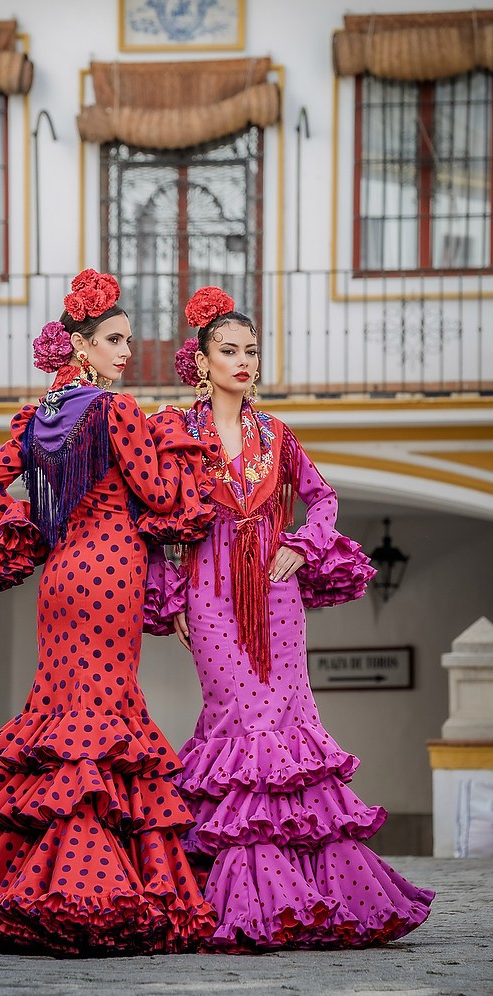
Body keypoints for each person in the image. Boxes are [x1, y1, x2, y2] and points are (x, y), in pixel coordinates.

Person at [0, 269, 216, 955]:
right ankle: (87, 888)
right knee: (105, 712)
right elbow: (160, 495)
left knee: (61, 704)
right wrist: (180, 446)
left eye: (127, 340)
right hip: (112, 567)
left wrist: (30, 521)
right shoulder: (116, 410)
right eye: (113, 340)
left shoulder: (40, 415)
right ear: (80, 345)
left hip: (62, 571)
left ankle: (23, 884)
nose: (126, 352)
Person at [141, 286, 434, 949]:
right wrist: (168, 587)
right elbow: (148, 516)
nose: (242, 361)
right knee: (244, 726)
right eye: (228, 351)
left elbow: (322, 498)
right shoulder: (170, 431)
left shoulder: (276, 433)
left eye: (250, 351)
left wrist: (300, 547)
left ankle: (313, 895)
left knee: (286, 728)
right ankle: (244, 893)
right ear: (201, 359)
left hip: (276, 598)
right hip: (209, 592)